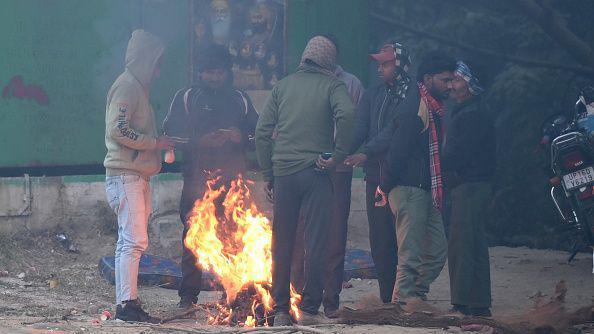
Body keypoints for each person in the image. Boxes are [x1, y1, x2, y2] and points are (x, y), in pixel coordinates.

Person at [255, 35, 355, 326]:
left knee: (282, 242)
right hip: (317, 172)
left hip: (284, 174)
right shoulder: (333, 85)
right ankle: (310, 310)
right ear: (329, 61)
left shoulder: (282, 86)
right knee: (316, 241)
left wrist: (268, 174)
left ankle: (281, 311)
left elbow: (262, 132)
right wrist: (337, 155)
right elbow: (347, 115)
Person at [162, 44, 258, 309]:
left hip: (233, 182)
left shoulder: (240, 98)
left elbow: (258, 134)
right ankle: (188, 296)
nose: (214, 78)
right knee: (193, 235)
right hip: (196, 181)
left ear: (227, 73)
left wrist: (240, 137)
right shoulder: (186, 96)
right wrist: (200, 141)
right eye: (209, 73)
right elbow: (170, 135)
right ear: (200, 73)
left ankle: (235, 293)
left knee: (234, 235)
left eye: (219, 72)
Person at [289, 34, 363, 319]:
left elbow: (355, 128)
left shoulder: (351, 84)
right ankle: (298, 295)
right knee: (299, 231)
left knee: (333, 234)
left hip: (338, 171)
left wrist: (338, 155)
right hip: (305, 166)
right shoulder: (299, 82)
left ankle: (330, 300)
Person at [104, 29, 174, 322]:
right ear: (146, 61)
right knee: (133, 242)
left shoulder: (135, 87)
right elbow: (117, 130)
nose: (158, 72)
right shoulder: (128, 87)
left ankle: (127, 302)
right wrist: (154, 144)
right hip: (126, 175)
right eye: (156, 64)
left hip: (135, 175)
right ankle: (127, 307)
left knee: (130, 242)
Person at [377, 51, 455, 304]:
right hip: (408, 190)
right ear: (429, 78)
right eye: (445, 80)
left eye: (452, 80)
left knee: (437, 251)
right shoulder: (415, 108)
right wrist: (385, 185)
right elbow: (397, 150)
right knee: (410, 255)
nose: (450, 86)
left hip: (425, 190)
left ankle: (414, 299)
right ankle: (403, 305)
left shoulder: (432, 108)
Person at [343, 42, 412, 304]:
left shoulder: (413, 96)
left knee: (405, 242)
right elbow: (359, 129)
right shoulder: (372, 95)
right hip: (376, 178)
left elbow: (394, 131)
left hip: (404, 179)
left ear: (402, 65)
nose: (380, 69)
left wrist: (367, 152)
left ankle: (405, 297)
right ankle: (387, 299)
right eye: (379, 64)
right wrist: (340, 153)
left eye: (386, 64)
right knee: (381, 241)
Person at [443, 61, 494, 317]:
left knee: (462, 242)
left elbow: (459, 153)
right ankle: (479, 303)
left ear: (471, 84)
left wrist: (440, 163)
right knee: (473, 241)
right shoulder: (469, 110)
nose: (451, 85)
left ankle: (462, 303)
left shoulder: (472, 114)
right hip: (474, 184)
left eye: (457, 80)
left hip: (470, 184)